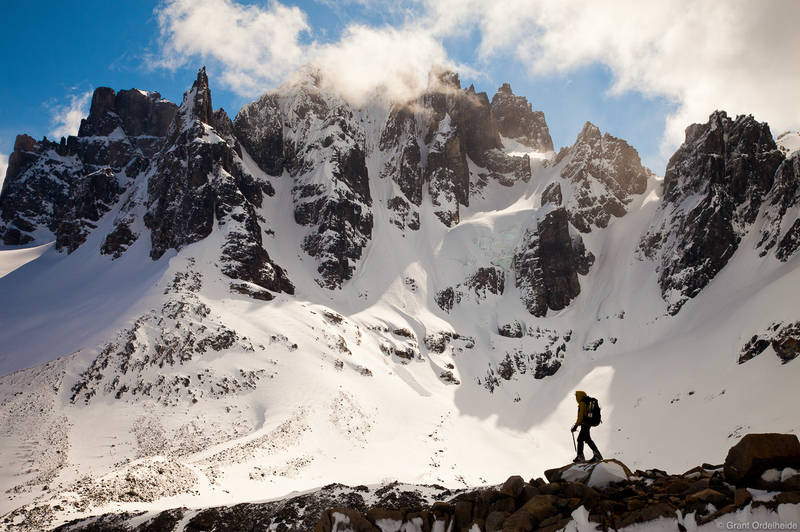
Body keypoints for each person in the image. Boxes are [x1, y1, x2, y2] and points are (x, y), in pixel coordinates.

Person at [571, 390, 603, 463]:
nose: (576, 398)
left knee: (580, 439)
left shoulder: (582, 403)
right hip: (588, 423)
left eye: (576, 396)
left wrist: (575, 426)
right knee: (586, 439)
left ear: (579, 396)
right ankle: (596, 455)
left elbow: (581, 416)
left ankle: (581, 456)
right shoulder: (587, 402)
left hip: (586, 423)